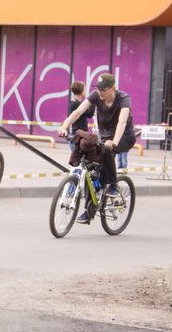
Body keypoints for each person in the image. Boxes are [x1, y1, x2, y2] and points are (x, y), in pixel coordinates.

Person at [57, 73, 135, 223]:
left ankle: (113, 185)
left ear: (113, 88)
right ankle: (89, 211)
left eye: (103, 90)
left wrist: (114, 142)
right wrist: (64, 126)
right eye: (98, 89)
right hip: (105, 137)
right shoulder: (96, 96)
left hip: (124, 136)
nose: (100, 93)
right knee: (90, 169)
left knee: (107, 150)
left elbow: (122, 122)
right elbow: (78, 112)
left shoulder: (124, 99)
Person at [66, 81, 95, 153]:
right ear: (81, 91)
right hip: (78, 136)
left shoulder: (75, 103)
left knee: (82, 161)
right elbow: (90, 114)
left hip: (79, 135)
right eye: (84, 89)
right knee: (79, 161)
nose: (85, 91)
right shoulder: (76, 104)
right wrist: (93, 101)